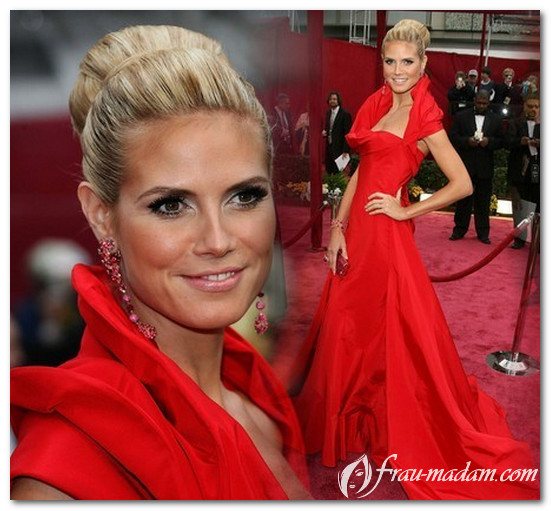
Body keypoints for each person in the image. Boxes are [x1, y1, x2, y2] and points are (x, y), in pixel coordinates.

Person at [10, 25, 310, 500]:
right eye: (171, 205)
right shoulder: (66, 472)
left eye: (245, 196)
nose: (218, 240)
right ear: (101, 216)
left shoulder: (259, 392)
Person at [290, 19, 538, 500]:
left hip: (387, 239)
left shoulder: (424, 113)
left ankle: (386, 420)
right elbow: (360, 172)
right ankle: (351, 419)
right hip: (357, 234)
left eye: (408, 61)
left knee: (390, 330)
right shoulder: (377, 103)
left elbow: (462, 184)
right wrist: (338, 227)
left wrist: (406, 209)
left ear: (423, 64)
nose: (398, 70)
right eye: (390, 61)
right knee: (348, 326)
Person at [449, 90, 503, 244]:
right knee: (463, 200)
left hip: (485, 167)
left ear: (488, 103)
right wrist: (467, 141)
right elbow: (453, 137)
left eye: (484, 103)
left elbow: (502, 141)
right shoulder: (461, 116)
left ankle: (483, 233)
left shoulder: (496, 119)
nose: (481, 105)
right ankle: (459, 230)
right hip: (465, 166)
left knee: (483, 202)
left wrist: (489, 142)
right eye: (479, 102)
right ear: (474, 100)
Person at [506, 93, 540, 249]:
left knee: (540, 207)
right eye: (530, 106)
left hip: (539, 171)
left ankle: (539, 242)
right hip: (519, 171)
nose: (533, 109)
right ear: (524, 106)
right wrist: (521, 141)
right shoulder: (515, 123)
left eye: (536, 106)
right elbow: (507, 142)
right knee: (520, 206)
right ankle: (519, 239)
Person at [322, 92, 352, 174]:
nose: (332, 101)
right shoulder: (328, 113)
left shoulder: (345, 114)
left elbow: (348, 133)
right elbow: (329, 128)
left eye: (334, 99)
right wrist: (325, 132)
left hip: (340, 149)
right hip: (329, 147)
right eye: (330, 99)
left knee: (338, 172)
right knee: (329, 170)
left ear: (338, 101)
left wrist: (346, 150)